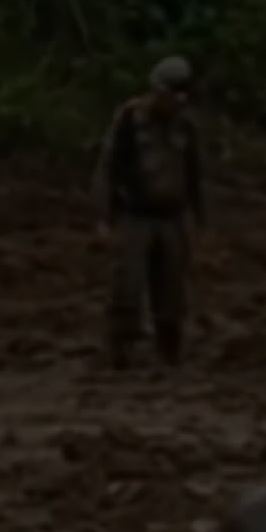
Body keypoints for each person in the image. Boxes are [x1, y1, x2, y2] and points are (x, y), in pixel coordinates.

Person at [97, 55, 205, 369]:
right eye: (172, 93)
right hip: (135, 215)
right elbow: (109, 167)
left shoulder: (185, 124)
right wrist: (105, 216)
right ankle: (120, 351)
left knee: (172, 288)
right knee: (126, 286)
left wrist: (200, 220)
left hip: (173, 217)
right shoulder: (130, 118)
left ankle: (169, 350)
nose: (177, 101)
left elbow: (195, 174)